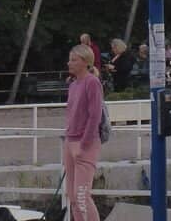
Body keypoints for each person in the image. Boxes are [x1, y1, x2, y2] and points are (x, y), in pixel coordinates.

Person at [64, 43, 103, 221]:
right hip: (70, 141)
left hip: (84, 144)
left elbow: (95, 115)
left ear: (85, 62)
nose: (69, 63)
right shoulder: (73, 85)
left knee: (82, 196)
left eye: (74, 60)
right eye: (70, 59)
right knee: (72, 196)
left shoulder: (92, 82)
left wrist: (84, 144)